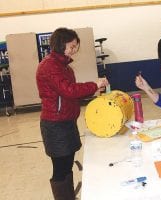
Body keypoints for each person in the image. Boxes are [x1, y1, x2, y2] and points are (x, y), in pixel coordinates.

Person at [36, 27, 109, 200]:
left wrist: (92, 92)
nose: (74, 49)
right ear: (61, 44)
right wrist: (94, 85)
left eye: (76, 46)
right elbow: (68, 90)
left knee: (67, 163)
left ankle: (68, 197)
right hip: (55, 124)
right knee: (60, 167)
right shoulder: (49, 66)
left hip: (66, 121)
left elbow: (69, 94)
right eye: (72, 45)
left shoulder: (64, 66)